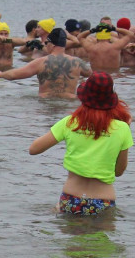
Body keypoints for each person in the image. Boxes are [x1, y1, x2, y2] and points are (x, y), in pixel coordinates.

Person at [28, 72, 132, 215]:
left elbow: (33, 149)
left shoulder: (70, 122)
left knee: (71, 235)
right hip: (103, 201)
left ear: (84, 98)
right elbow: (118, 172)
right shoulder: (122, 129)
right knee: (100, 237)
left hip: (71, 198)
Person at [0, 28, 91, 97]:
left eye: (46, 43)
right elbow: (93, 75)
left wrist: (0, 74)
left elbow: (15, 75)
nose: (45, 46)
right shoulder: (77, 62)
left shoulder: (41, 62)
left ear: (51, 44)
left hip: (46, 103)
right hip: (69, 105)